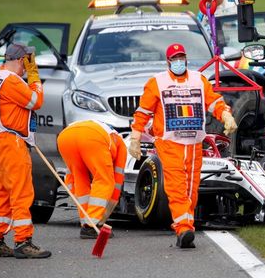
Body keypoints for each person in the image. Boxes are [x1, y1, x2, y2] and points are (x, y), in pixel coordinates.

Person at [129, 43, 238, 249]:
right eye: (175, 58)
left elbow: (213, 101)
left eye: (182, 57)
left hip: (194, 143)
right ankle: (183, 229)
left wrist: (225, 115)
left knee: (191, 188)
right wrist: (135, 138)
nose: (179, 62)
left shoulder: (199, 80)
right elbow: (143, 112)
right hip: (169, 143)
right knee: (176, 186)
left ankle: (186, 224)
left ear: (186, 59)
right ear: (168, 62)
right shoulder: (157, 83)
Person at [0, 44, 50, 258]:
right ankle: (23, 241)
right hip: (9, 141)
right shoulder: (11, 80)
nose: (29, 67)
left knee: (4, 192)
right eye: (28, 63)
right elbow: (36, 101)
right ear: (22, 61)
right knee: (22, 191)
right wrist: (34, 76)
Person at [57, 120, 127, 239]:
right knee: (104, 180)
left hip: (64, 136)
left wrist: (86, 216)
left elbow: (71, 182)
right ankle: (91, 226)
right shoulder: (121, 147)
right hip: (93, 137)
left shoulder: (108, 136)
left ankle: (87, 223)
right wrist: (102, 219)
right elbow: (115, 187)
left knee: (80, 180)